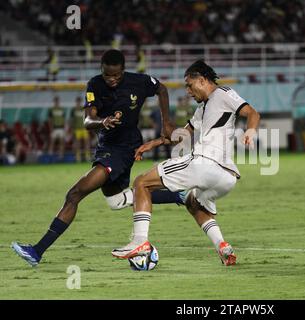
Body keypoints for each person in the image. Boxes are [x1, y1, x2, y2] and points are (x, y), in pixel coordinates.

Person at [11, 49, 183, 267]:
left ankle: (37, 251)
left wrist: (166, 122)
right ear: (102, 69)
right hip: (105, 148)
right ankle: (178, 195)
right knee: (116, 200)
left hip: (125, 148)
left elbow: (162, 88)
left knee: (74, 194)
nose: (111, 80)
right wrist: (101, 122)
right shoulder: (95, 85)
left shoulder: (138, 82)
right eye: (107, 75)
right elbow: (87, 121)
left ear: (123, 71)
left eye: (116, 76)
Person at [111, 60, 260, 266]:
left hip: (205, 164)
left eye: (190, 85)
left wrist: (251, 130)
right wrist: (153, 143)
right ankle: (223, 247)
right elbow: (182, 135)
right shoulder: (202, 109)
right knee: (192, 203)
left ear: (202, 80)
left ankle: (140, 242)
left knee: (141, 183)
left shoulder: (223, 93)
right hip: (226, 179)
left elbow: (252, 113)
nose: (188, 91)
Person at [71, 96, 91, 162]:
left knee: (87, 142)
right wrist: (72, 129)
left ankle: (87, 156)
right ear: (76, 102)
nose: (78, 103)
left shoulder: (83, 109)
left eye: (79, 101)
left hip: (84, 128)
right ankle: (78, 157)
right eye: (77, 102)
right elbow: (72, 120)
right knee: (78, 143)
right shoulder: (73, 110)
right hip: (77, 129)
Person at [47, 96, 66, 161]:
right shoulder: (51, 109)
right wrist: (51, 128)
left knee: (61, 142)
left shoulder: (62, 109)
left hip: (61, 127)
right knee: (52, 142)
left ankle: (61, 156)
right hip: (54, 128)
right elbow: (50, 120)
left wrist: (64, 127)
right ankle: (50, 155)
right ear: (54, 102)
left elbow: (63, 119)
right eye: (55, 101)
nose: (57, 102)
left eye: (57, 101)